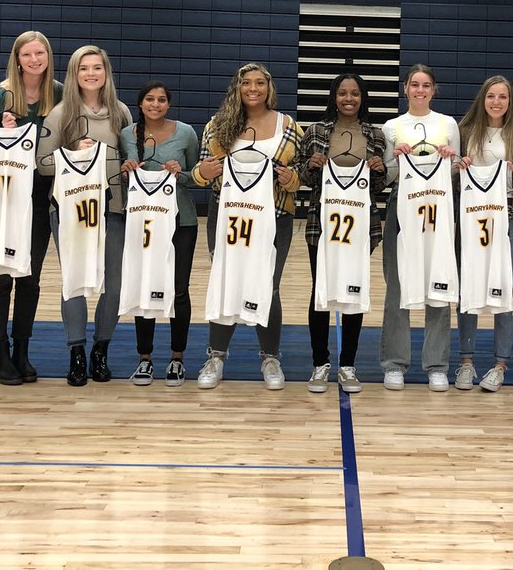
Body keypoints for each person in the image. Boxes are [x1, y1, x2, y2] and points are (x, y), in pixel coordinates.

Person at [191, 62, 303, 390]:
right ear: (237, 88)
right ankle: (215, 356)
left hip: (276, 216)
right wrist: (203, 174)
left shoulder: (287, 126)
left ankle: (270, 357)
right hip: (227, 217)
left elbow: (301, 175)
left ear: (269, 88)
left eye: (259, 83)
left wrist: (291, 178)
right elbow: (199, 171)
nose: (253, 89)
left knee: (269, 285)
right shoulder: (218, 125)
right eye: (246, 83)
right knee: (227, 278)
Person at [36, 45, 132, 386]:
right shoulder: (60, 114)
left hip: (114, 207)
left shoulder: (120, 113)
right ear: (74, 74)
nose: (91, 74)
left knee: (115, 284)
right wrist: (72, 153)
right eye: (83, 68)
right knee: (73, 282)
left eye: (97, 68)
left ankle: (100, 350)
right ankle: (76, 353)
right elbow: (43, 165)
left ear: (106, 73)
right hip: (70, 210)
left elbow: (129, 160)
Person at [0, 31, 62, 385]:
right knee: (0, 276)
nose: (34, 59)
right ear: (17, 59)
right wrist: (3, 129)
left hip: (42, 191)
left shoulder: (59, 93)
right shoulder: (2, 94)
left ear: (48, 56)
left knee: (29, 276)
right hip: (7, 190)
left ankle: (21, 350)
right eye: (27, 54)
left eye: (39, 53)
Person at [297, 73, 388, 394]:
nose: (348, 99)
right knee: (320, 291)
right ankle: (320, 364)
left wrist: (380, 170)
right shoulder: (316, 131)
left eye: (355, 93)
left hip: (361, 225)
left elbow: (379, 186)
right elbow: (301, 177)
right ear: (333, 96)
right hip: (320, 222)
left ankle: (347, 365)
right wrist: (311, 165)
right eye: (342, 93)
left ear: (363, 97)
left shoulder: (375, 135)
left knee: (353, 291)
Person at [380, 63, 460, 392]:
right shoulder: (392, 126)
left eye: (426, 85)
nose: (420, 90)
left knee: (437, 280)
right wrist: (395, 161)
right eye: (414, 84)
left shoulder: (447, 124)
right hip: (402, 205)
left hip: (439, 207)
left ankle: (437, 364)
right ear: (405, 89)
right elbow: (384, 174)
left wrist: (451, 159)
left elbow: (456, 170)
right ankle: (394, 363)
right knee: (397, 285)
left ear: (433, 89)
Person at [118, 81, 201, 387]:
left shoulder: (186, 132)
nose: (155, 104)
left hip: (182, 220)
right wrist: (126, 168)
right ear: (140, 104)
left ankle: (177, 358)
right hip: (142, 220)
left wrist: (182, 172)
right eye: (150, 99)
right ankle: (145, 359)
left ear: (169, 104)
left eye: (162, 100)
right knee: (145, 283)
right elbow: (120, 176)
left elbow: (196, 177)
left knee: (179, 289)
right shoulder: (127, 134)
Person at [454, 76, 513, 393]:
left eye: (503, 97)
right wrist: (457, 167)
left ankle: (500, 364)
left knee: (504, 291)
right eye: (491, 96)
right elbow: (452, 178)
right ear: (482, 99)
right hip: (471, 218)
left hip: (505, 219)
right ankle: (466, 362)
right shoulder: (464, 132)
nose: (496, 102)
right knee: (468, 289)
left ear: (510, 101)